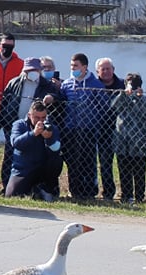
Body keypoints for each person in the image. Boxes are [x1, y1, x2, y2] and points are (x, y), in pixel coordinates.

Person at [0, 57, 58, 191]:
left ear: (39, 70)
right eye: (29, 70)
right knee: (10, 155)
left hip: (38, 126)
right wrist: (7, 123)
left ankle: (41, 187)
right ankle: (6, 185)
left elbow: (59, 97)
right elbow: (5, 104)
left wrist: (52, 97)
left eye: (35, 70)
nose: (32, 72)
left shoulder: (47, 85)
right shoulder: (14, 83)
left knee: (41, 157)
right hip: (17, 126)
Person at [59, 53, 107, 200]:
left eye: (76, 66)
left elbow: (104, 106)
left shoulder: (95, 84)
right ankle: (74, 191)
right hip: (70, 129)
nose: (73, 68)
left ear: (84, 67)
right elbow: (61, 104)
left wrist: (93, 118)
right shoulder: (67, 84)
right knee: (73, 161)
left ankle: (89, 191)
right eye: (71, 66)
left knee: (88, 161)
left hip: (88, 129)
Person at [5, 100, 62, 200]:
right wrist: (33, 133)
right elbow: (16, 143)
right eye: (37, 117)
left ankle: (47, 189)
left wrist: (49, 138)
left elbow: (56, 149)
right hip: (23, 170)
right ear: (29, 115)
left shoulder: (51, 127)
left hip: (43, 170)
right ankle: (34, 191)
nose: (40, 121)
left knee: (57, 160)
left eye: (43, 117)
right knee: (12, 195)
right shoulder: (19, 125)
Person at [111, 72, 146, 203]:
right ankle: (126, 195)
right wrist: (124, 94)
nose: (132, 88)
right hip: (122, 142)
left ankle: (139, 197)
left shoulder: (145, 100)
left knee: (139, 173)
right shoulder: (121, 97)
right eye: (130, 85)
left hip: (139, 143)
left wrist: (139, 97)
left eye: (135, 86)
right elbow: (113, 107)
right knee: (124, 171)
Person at [94, 57, 124, 200]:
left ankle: (126, 193)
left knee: (124, 163)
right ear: (97, 71)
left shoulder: (123, 85)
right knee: (105, 164)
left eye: (108, 68)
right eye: (102, 69)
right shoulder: (93, 86)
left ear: (113, 70)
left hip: (123, 132)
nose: (106, 71)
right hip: (101, 131)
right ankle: (108, 193)